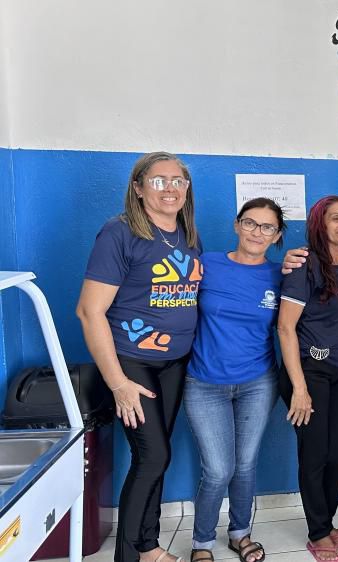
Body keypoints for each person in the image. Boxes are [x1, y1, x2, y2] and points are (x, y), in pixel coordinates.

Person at [76, 151, 202, 562]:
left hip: (174, 364)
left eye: (178, 181)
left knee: (157, 456)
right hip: (132, 363)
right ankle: (129, 557)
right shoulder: (120, 233)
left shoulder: (187, 234)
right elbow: (89, 311)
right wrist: (118, 383)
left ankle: (149, 548)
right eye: (159, 180)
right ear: (138, 188)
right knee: (154, 456)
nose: (170, 188)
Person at [184, 198, 286, 562]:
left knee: (245, 464)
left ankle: (240, 533)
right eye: (250, 223)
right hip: (203, 383)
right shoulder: (205, 264)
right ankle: (202, 542)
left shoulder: (281, 275)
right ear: (236, 225)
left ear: (277, 236)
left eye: (267, 227)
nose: (257, 232)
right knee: (217, 470)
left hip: (258, 382)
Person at [277, 196, 338, 562]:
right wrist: (299, 388)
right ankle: (317, 532)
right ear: (320, 222)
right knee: (314, 455)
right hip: (309, 372)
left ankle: (326, 521)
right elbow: (285, 328)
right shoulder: (304, 264)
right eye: (336, 219)